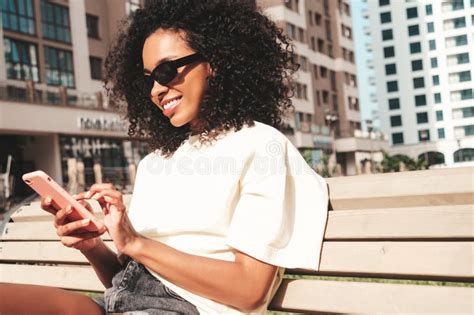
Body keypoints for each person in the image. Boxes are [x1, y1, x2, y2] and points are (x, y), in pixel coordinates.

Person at [0, 1, 328, 314]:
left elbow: (250, 290)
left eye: (167, 71)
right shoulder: (155, 162)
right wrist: (93, 246)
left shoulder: (260, 145)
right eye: (148, 79)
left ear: (215, 61)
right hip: (123, 303)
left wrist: (134, 242)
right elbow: (130, 279)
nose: (156, 89)